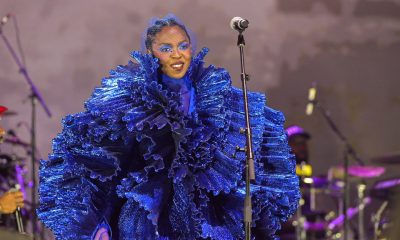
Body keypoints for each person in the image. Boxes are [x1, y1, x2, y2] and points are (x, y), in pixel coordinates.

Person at [37, 14, 300, 240]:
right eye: (166, 48)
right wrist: (97, 221)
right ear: (151, 53)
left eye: (183, 46)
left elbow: (250, 148)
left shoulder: (216, 98)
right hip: (147, 217)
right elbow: (100, 164)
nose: (177, 54)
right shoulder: (130, 97)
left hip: (204, 215)